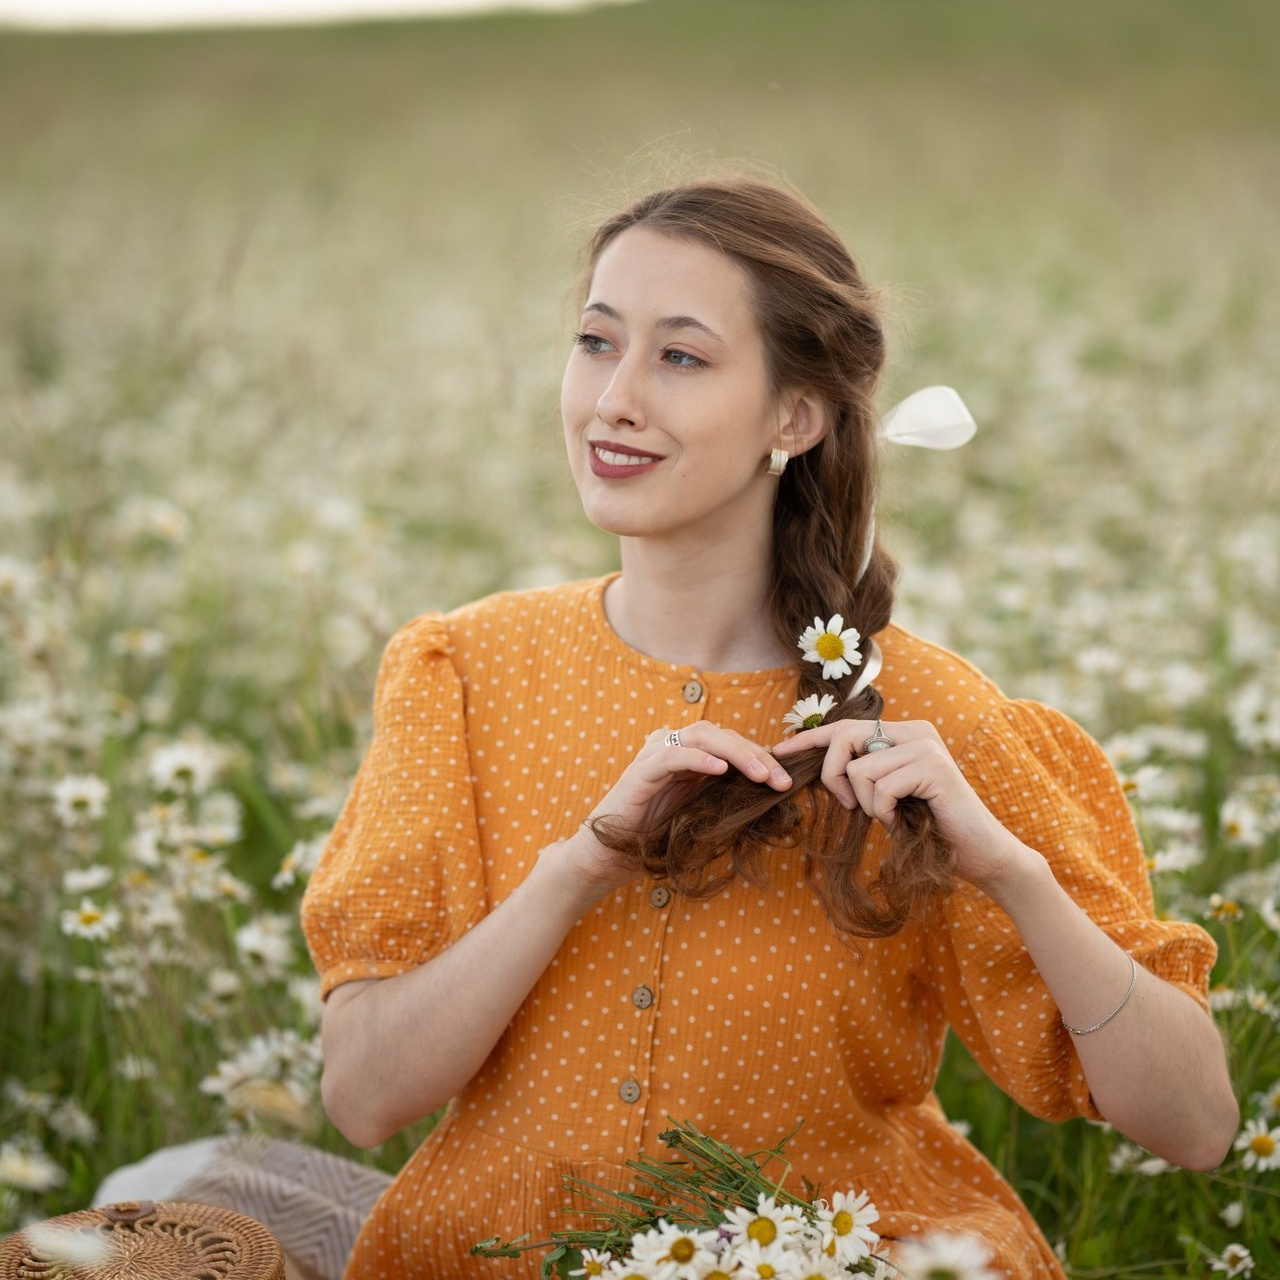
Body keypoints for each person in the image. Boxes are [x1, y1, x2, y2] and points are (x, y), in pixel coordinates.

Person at [300, 176, 1237, 1280]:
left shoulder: (925, 719)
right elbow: (362, 1096)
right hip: (498, 1252)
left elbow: (1196, 1123)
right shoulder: (463, 672)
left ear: (792, 418)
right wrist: (576, 868)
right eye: (596, 342)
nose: (613, 399)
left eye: (680, 357)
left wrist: (1012, 871)